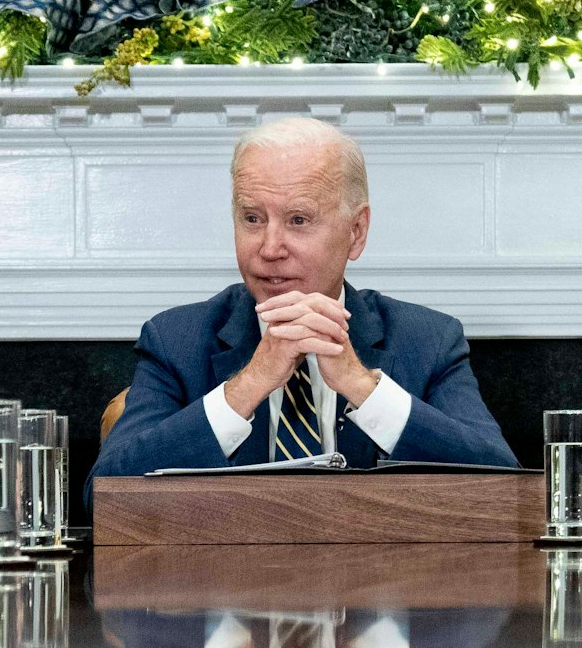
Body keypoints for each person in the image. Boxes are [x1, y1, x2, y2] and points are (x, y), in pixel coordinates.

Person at [91, 117, 517, 485]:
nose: (270, 248)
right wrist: (247, 385)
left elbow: (506, 488)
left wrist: (362, 386)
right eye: (252, 218)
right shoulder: (176, 340)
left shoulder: (427, 341)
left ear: (356, 232)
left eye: (298, 220)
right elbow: (106, 496)